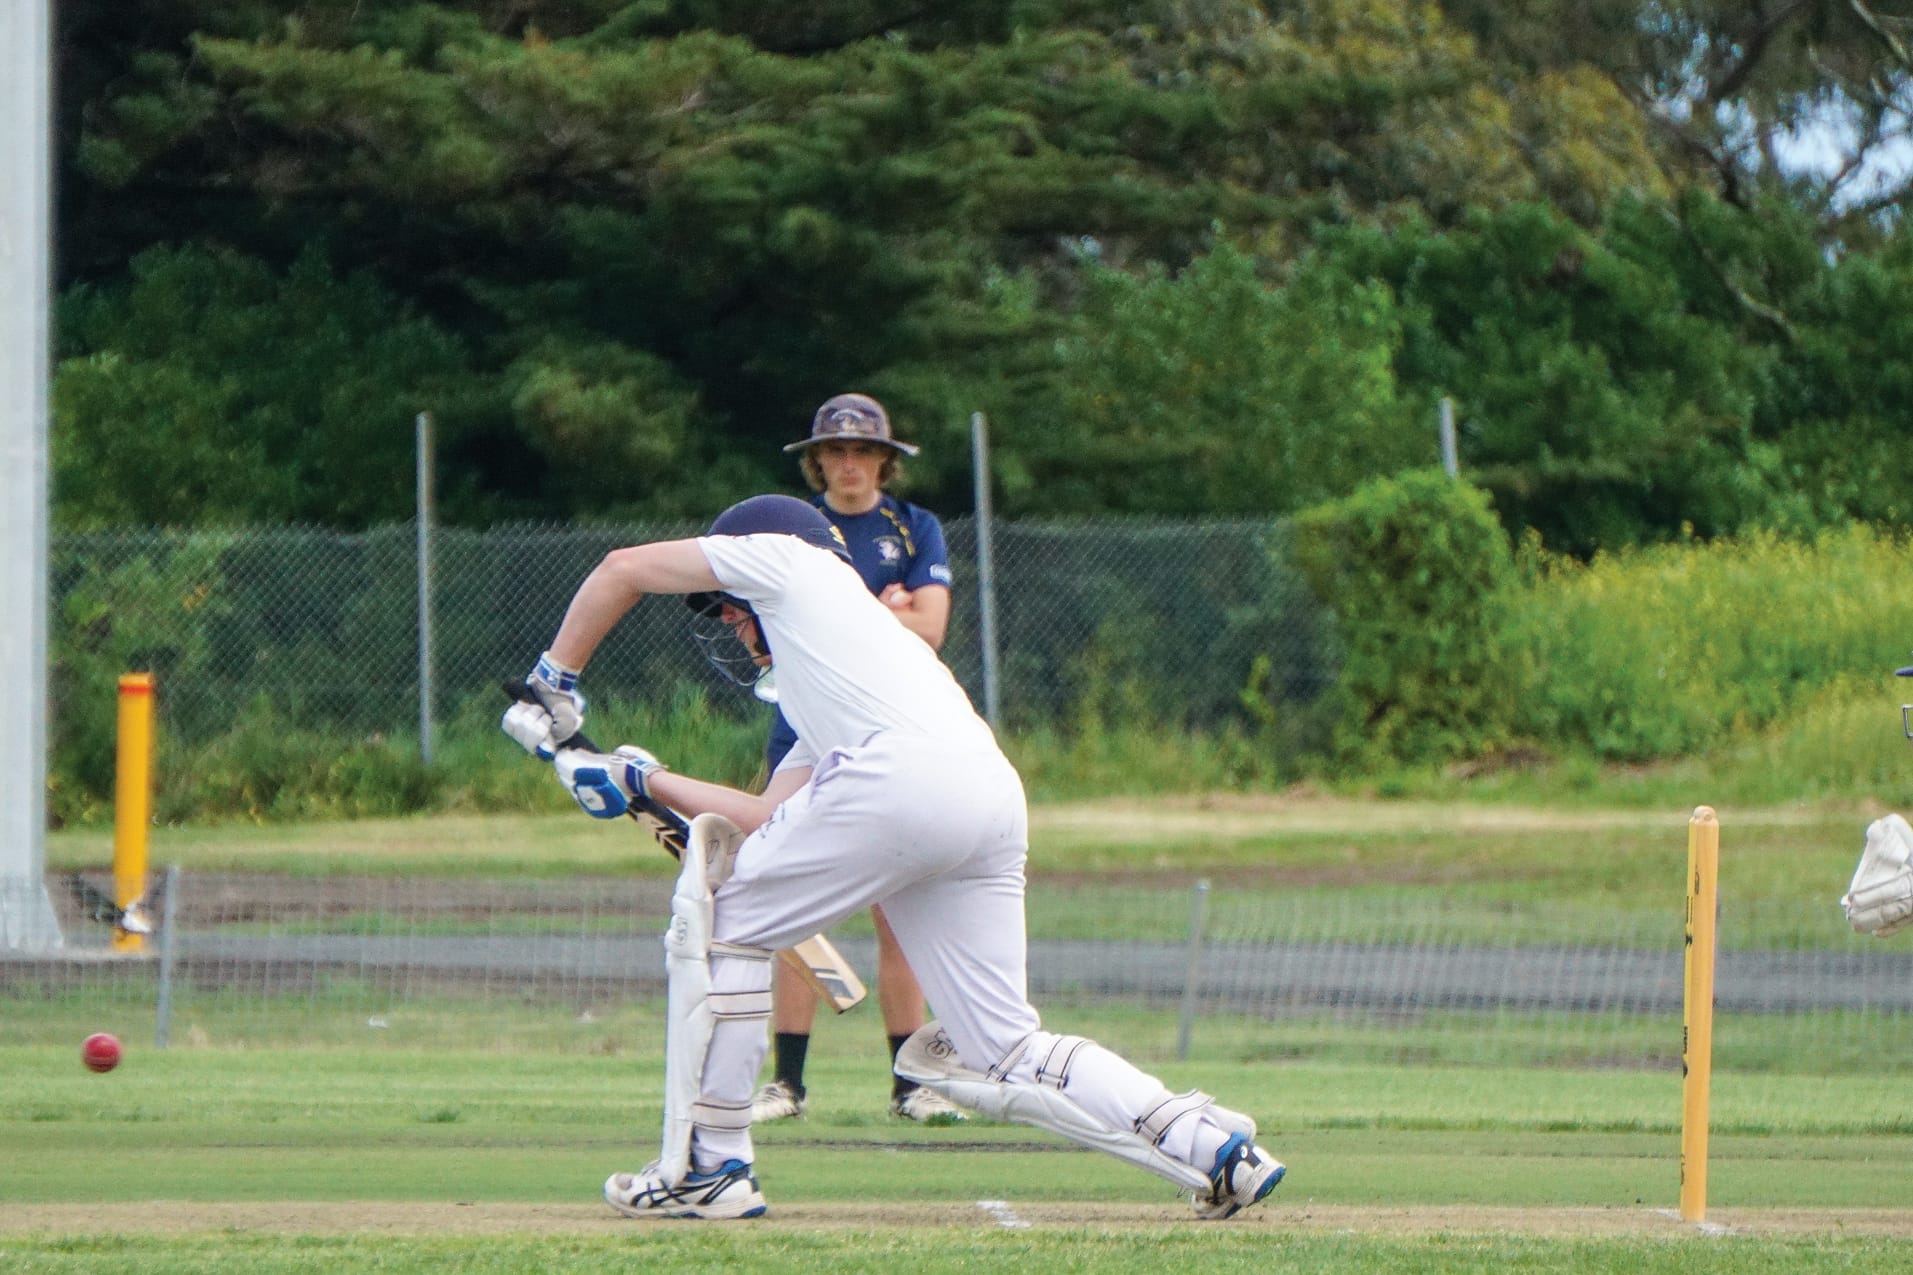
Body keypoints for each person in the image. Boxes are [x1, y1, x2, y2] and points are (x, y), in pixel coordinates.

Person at [502, 493, 1286, 1221]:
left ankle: (711, 1165)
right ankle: (1211, 1147)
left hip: (898, 785)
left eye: (735, 615)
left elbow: (620, 569)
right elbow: (772, 818)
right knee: (1003, 1045)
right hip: (983, 795)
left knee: (724, 920)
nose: (740, 632)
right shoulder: (848, 668)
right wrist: (642, 777)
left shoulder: (788, 557)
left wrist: (552, 686)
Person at [753, 392, 961, 1126]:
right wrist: (886, 606)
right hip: (803, 726)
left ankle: (911, 1082)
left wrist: (868, 611)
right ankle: (787, 1082)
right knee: (787, 894)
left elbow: (929, 627)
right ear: (818, 460)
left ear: (882, 460)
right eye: (834, 452)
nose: (847, 464)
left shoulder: (914, 527)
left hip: (888, 727)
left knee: (896, 911)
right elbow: (789, 623)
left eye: (860, 451)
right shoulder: (797, 528)